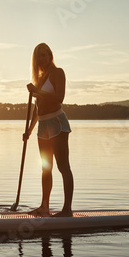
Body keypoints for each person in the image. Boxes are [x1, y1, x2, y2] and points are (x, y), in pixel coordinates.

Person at [23, 43, 74, 217]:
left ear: (50, 55)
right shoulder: (40, 78)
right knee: (46, 168)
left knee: (63, 167)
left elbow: (60, 97)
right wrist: (29, 130)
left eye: (44, 55)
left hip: (57, 123)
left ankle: (67, 210)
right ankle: (44, 207)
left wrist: (38, 91)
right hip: (43, 126)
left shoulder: (57, 72)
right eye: (38, 56)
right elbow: (37, 109)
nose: (41, 59)